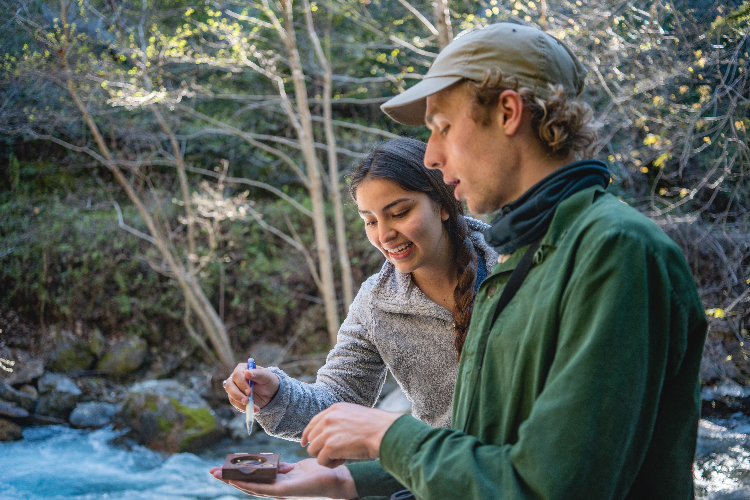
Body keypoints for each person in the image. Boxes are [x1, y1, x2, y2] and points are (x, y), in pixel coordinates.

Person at [213, 22, 708, 500]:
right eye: (369, 219)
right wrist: (348, 480)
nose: (430, 155)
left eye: (443, 127)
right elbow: (480, 448)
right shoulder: (525, 262)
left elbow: (550, 487)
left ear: (508, 113)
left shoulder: (613, 252)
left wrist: (386, 437)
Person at [219, 137, 497, 439]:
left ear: (443, 204)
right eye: (370, 221)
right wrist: (275, 394)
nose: (385, 235)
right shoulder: (376, 302)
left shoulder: (514, 263)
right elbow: (338, 399)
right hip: (442, 473)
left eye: (400, 213)